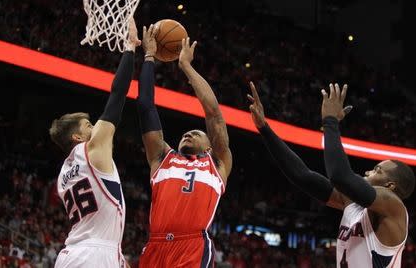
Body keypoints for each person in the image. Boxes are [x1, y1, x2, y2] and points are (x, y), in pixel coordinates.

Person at [247, 81, 415, 268]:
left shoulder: (393, 206)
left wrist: (330, 122)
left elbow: (340, 176)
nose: (368, 171)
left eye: (377, 170)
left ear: (390, 186)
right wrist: (264, 128)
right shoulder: (353, 204)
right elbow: (302, 176)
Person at [137, 28, 232, 267]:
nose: (188, 134)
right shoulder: (162, 157)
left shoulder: (217, 163)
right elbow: (146, 108)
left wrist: (186, 67)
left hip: (191, 246)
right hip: (155, 246)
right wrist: (149, 57)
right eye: (185, 134)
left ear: (210, 147)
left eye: (196, 133)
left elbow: (214, 115)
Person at [49, 19, 140, 268]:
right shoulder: (92, 149)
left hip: (72, 254)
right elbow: (117, 96)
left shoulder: (64, 174)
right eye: (88, 125)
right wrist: (130, 48)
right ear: (77, 138)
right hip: (95, 255)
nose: (94, 127)